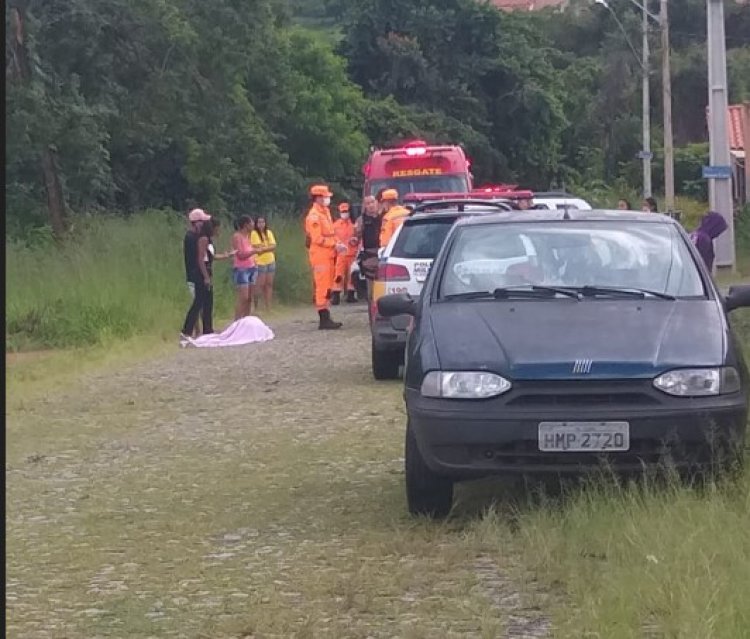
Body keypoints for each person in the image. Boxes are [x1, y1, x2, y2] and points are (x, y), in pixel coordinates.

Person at [305, 184, 347, 329]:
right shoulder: (314, 216)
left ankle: (326, 316)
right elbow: (317, 239)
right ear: (318, 198)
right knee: (322, 286)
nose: (328, 199)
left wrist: (338, 243)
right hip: (320, 254)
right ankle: (324, 319)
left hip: (328, 253)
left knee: (328, 285)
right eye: (325, 197)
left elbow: (330, 233)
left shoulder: (325, 212)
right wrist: (334, 245)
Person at [182, 218, 221, 341]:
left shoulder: (208, 240)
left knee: (208, 301)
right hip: (202, 273)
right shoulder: (203, 239)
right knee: (198, 302)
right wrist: (205, 277)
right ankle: (186, 330)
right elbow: (200, 259)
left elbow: (210, 257)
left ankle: (208, 329)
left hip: (207, 271)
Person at [184, 208, 212, 337]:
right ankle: (189, 330)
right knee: (197, 302)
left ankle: (204, 330)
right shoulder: (191, 237)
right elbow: (198, 257)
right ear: (196, 222)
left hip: (199, 273)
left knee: (203, 302)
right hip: (194, 274)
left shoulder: (198, 236)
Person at [232, 215, 266, 320]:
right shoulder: (237, 237)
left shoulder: (249, 236)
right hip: (242, 269)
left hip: (251, 267)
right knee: (243, 297)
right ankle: (237, 321)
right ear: (246, 225)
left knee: (249, 298)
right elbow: (240, 255)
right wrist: (254, 251)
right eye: (251, 223)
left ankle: (246, 320)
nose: (253, 225)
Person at [332, 202, 359, 304]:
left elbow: (358, 237)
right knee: (338, 275)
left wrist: (355, 240)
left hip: (352, 254)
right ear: (339, 212)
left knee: (351, 276)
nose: (344, 213)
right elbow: (332, 238)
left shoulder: (354, 225)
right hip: (341, 254)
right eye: (342, 211)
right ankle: (336, 296)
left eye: (346, 211)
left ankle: (350, 295)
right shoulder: (335, 225)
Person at [356, 195, 382, 300]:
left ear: (377, 202)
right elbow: (356, 237)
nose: (371, 205)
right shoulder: (361, 220)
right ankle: (373, 307)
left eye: (372, 202)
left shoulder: (385, 217)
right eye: (367, 203)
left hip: (384, 253)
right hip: (370, 255)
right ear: (364, 206)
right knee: (371, 287)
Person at [250, 216, 277, 312]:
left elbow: (273, 246)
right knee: (259, 285)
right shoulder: (254, 233)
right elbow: (257, 247)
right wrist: (267, 247)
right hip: (260, 261)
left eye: (263, 222)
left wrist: (264, 248)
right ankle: (255, 306)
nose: (261, 224)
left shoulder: (268, 232)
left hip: (270, 260)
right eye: (259, 222)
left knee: (269, 284)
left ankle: (268, 307)